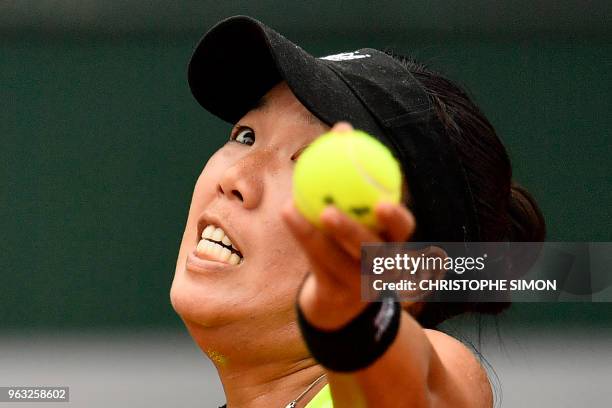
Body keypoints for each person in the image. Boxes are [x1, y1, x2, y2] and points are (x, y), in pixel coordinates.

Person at [170, 16, 545, 408]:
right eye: (246, 135)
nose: (235, 176)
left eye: (314, 162)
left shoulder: (427, 369)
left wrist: (358, 329)